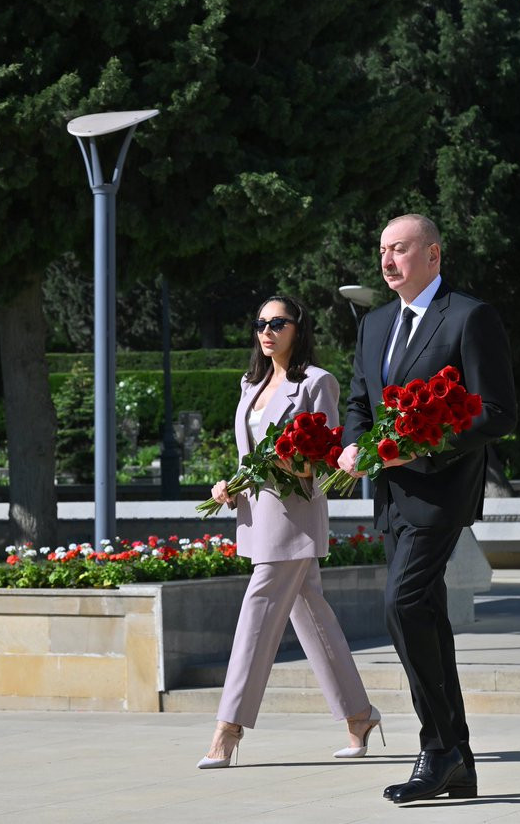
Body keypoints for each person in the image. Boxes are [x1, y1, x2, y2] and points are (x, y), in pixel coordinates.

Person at [338, 214, 517, 803]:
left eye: (400, 249)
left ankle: (437, 749)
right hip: (392, 494)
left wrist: (420, 445)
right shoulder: (375, 324)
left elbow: (496, 412)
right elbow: (360, 401)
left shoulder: (468, 316)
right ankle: (458, 760)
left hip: (442, 490)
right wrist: (354, 445)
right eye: (382, 250)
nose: (387, 261)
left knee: (402, 603)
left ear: (433, 254)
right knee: (428, 619)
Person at [198, 295, 383, 769]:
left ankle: (228, 727)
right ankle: (359, 715)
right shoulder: (250, 383)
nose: (267, 330)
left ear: (298, 329)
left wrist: (294, 465)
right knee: (310, 614)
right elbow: (249, 456)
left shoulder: (317, 382)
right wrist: (229, 485)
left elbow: (330, 460)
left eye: (278, 322)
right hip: (257, 515)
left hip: (294, 516)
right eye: (260, 322)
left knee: (258, 608)